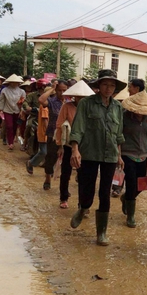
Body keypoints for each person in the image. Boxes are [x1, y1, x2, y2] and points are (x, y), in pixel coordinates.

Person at [69, 69, 126, 246]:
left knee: (105, 193)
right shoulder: (86, 103)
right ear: (98, 86)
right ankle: (83, 208)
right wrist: (75, 150)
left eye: (112, 85)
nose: (108, 88)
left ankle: (101, 233)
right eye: (105, 84)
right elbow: (78, 127)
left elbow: (118, 133)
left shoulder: (117, 107)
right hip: (90, 151)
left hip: (110, 154)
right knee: (87, 187)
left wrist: (119, 154)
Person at [119, 91, 147, 227]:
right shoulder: (124, 117)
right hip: (127, 154)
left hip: (143, 155)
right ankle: (130, 216)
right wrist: (118, 155)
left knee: (142, 184)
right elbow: (118, 136)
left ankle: (127, 198)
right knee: (131, 183)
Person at [56, 80, 95, 209]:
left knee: (83, 176)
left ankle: (81, 204)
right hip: (68, 145)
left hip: (86, 146)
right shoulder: (67, 107)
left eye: (83, 97)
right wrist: (60, 146)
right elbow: (59, 125)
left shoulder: (91, 108)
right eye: (79, 96)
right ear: (75, 96)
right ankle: (63, 198)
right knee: (66, 173)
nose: (81, 98)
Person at [0, 74, 26, 150]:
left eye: (16, 82)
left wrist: (22, 111)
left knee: (15, 127)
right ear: (9, 82)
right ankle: (10, 143)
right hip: (7, 110)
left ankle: (11, 140)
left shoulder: (22, 91)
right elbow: (1, 101)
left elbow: (23, 102)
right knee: (9, 126)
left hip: (17, 111)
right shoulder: (5, 90)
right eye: (12, 82)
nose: (14, 83)